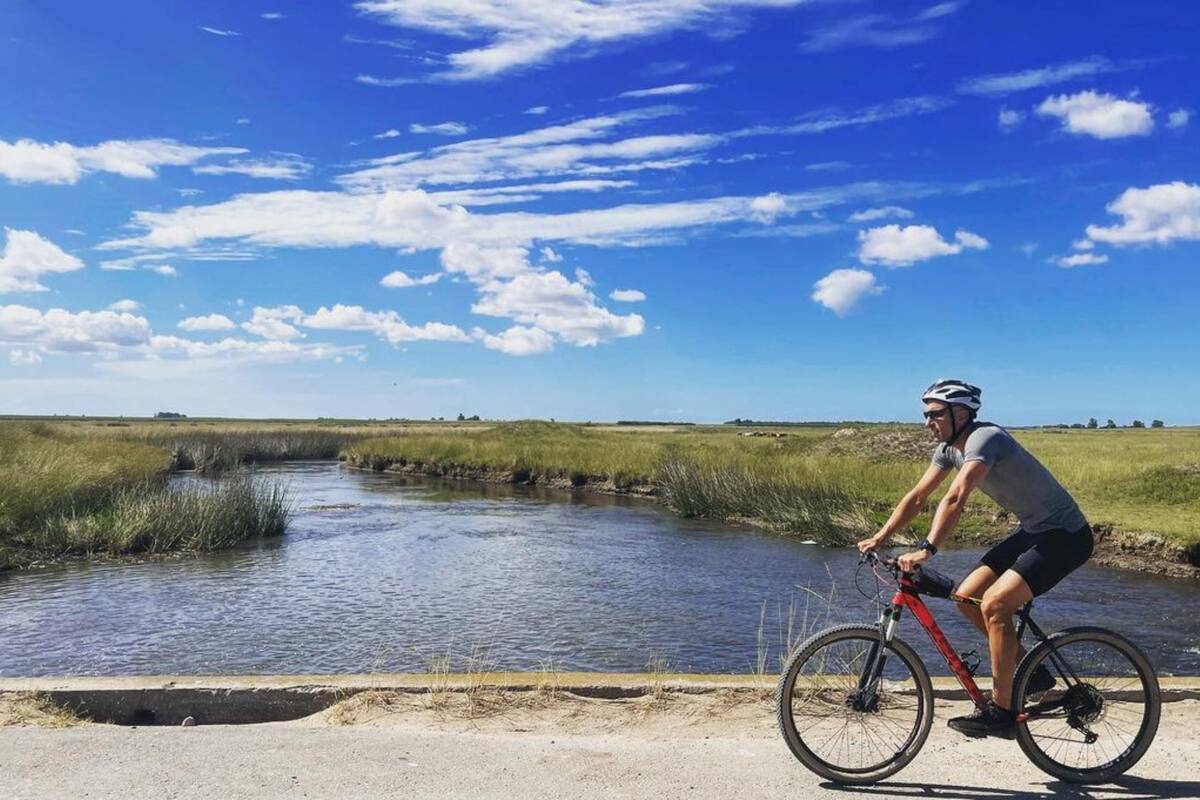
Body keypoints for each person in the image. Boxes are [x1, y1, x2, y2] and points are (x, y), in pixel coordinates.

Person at [857, 379, 1093, 738]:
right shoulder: (949, 449)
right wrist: (880, 536)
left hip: (1066, 535)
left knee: (996, 605)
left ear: (961, 413)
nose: (927, 422)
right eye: (925, 414)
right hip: (1033, 530)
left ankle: (1002, 709)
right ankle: (1035, 673)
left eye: (935, 414)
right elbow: (919, 495)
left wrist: (927, 548)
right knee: (966, 598)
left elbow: (956, 496)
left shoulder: (986, 439)